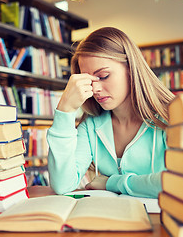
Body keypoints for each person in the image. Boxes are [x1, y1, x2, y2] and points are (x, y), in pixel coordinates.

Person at [46, 27, 175, 198]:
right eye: (88, 80)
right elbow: (62, 185)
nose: (95, 88)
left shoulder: (171, 119)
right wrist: (65, 110)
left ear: (131, 68)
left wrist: (112, 182)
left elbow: (175, 183)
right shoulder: (91, 126)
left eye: (104, 76)